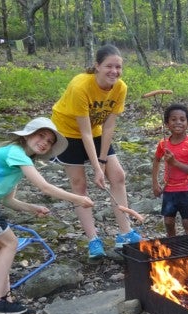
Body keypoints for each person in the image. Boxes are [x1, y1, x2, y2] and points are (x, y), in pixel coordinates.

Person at [0, 117, 94, 314]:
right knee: (10, 243)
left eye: (49, 141)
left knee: (0, 249)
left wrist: (32, 208)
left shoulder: (20, 159)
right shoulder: (16, 153)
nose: (44, 142)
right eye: (41, 136)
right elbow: (44, 187)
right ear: (27, 136)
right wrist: (78, 199)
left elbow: (8, 200)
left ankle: (4, 299)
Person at [51, 44, 141, 259]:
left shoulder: (120, 87)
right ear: (97, 66)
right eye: (109, 66)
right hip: (67, 133)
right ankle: (93, 240)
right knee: (79, 184)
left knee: (117, 175)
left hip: (96, 130)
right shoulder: (80, 85)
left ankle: (125, 233)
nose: (114, 71)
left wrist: (102, 162)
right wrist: (96, 168)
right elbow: (84, 134)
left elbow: (108, 126)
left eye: (118, 67)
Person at [152, 103, 188, 237]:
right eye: (173, 119)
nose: (178, 122)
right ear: (167, 124)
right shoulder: (163, 143)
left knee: (187, 222)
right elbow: (156, 160)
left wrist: (174, 162)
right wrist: (155, 183)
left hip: (186, 189)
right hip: (169, 189)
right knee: (168, 221)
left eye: (182, 119)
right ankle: (172, 247)